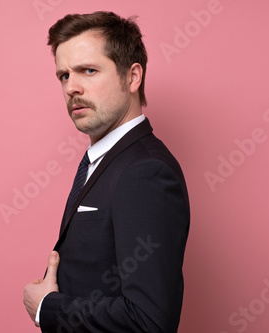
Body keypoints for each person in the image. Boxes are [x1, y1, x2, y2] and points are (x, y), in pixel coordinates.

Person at [23, 11, 190, 332]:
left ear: (132, 77)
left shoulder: (146, 171)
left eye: (88, 70)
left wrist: (48, 307)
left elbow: (149, 321)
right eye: (64, 76)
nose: (72, 87)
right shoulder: (105, 160)